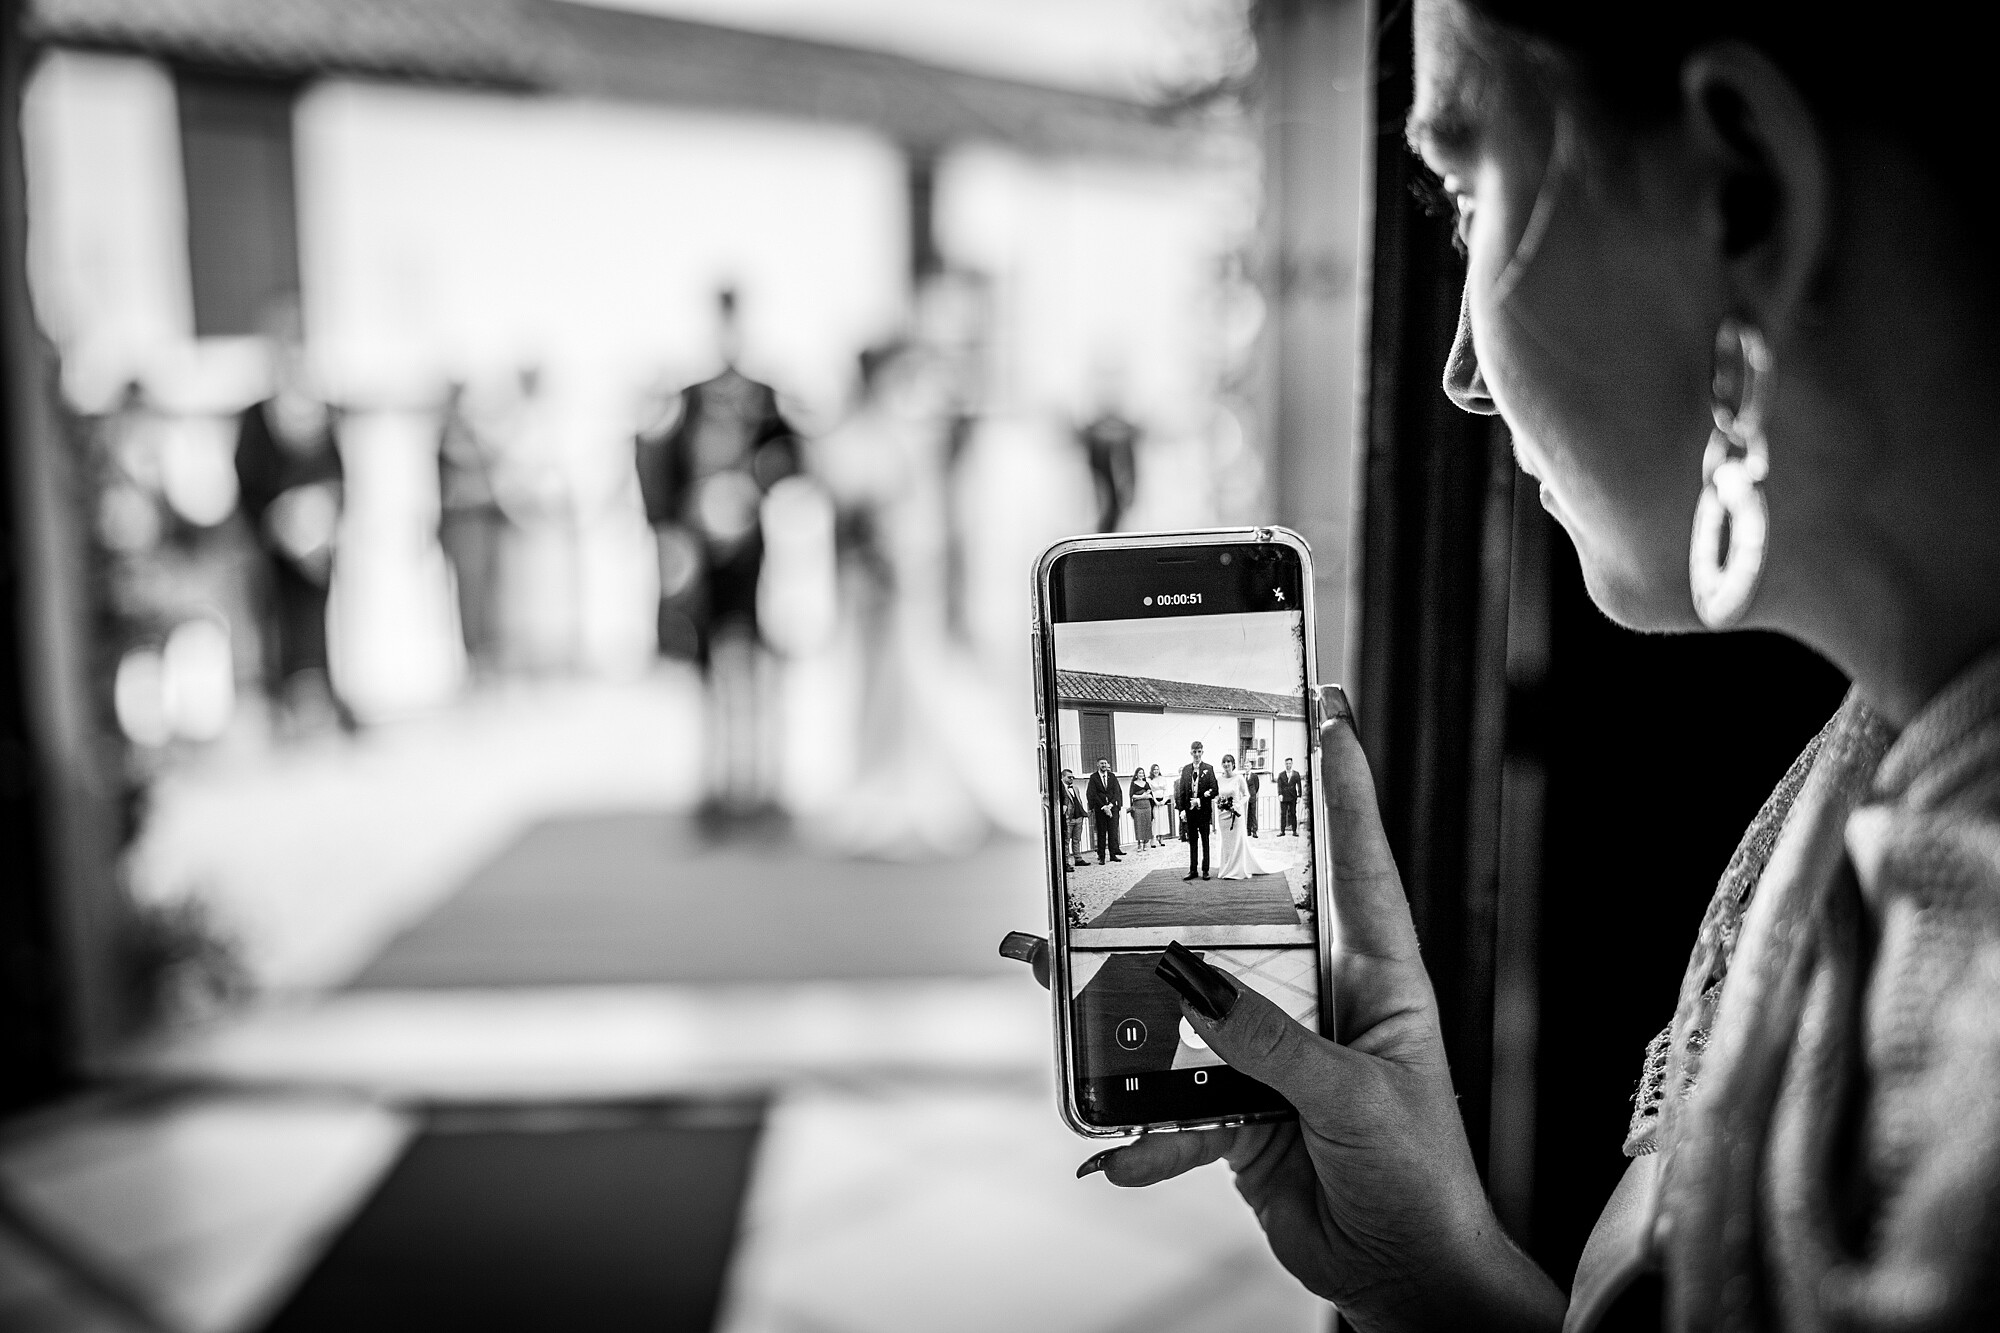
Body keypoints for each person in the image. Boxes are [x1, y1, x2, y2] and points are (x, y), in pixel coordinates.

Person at [1040, 4, 2000, 1330]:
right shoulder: (1880, 748)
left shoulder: (1966, 1067)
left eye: (1465, 198)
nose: (1457, 376)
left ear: (1746, 196)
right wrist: (1426, 1270)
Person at [234, 300, 348, 732]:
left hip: (318, 545)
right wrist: (279, 522)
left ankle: (321, 704)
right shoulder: (256, 419)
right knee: (279, 624)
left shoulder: (322, 411)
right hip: (276, 548)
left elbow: (340, 474)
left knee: (317, 622)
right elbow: (247, 480)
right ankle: (287, 709)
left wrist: (323, 518)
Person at [1214, 754, 1284, 881]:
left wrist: (1238, 804)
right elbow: (1216, 796)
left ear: (1233, 764)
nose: (1226, 764)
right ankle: (1226, 869)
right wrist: (1219, 802)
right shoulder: (1219, 780)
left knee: (1237, 843)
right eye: (1224, 762)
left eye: (1229, 762)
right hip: (1223, 816)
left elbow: (1246, 795)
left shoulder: (1239, 778)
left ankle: (1237, 870)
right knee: (1227, 844)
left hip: (1236, 815)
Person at [1174, 741, 1218, 881]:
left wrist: (1200, 800)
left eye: (1199, 752)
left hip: (1203, 811)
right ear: (1191, 753)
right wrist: (1182, 809)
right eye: (1194, 752)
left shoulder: (1209, 769)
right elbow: (1181, 792)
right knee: (1192, 841)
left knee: (1205, 840)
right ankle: (1193, 870)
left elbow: (1214, 789)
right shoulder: (1186, 769)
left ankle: (1205, 870)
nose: (1197, 755)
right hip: (1190, 812)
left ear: (1202, 752)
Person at [1085, 758, 1124, 864]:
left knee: (1113, 832)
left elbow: (1116, 792)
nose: (1104, 765)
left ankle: (1113, 855)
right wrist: (1104, 807)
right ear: (1098, 764)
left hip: (1113, 808)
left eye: (1105, 763)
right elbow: (1092, 793)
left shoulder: (1112, 776)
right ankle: (1101, 857)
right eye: (1101, 763)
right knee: (1101, 833)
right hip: (1100, 809)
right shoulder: (1093, 777)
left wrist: (1110, 805)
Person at [1059, 769, 1088, 869]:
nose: (1071, 779)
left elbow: (1079, 801)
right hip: (1068, 818)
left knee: (1077, 839)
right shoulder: (1060, 788)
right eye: (1069, 777)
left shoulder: (1075, 788)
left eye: (1072, 777)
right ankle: (1066, 862)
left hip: (1078, 817)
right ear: (1063, 777)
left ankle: (1078, 859)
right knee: (1066, 840)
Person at [1127, 765, 1154, 851]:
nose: (1141, 774)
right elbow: (1132, 796)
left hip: (1147, 806)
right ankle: (1139, 843)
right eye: (1139, 773)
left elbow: (1150, 796)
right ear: (1136, 774)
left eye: (1142, 773)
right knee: (1138, 825)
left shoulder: (1146, 783)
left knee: (1147, 824)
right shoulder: (1133, 784)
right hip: (1138, 807)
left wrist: (1146, 795)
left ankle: (1145, 843)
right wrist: (1142, 796)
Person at [1275, 757, 1303, 836]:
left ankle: (1294, 831)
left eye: (1289, 763)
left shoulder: (1296, 774)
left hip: (1293, 797)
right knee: (1283, 814)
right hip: (1284, 797)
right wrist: (1280, 794)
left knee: (1293, 813)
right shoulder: (1281, 775)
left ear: (1292, 764)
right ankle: (1282, 831)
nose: (1288, 765)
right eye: (1287, 764)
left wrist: (1299, 796)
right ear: (1285, 764)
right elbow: (1279, 786)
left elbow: (1299, 785)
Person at [1149, 764, 1174, 847]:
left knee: (1162, 820)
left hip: (1163, 802)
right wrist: (1155, 801)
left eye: (1157, 769)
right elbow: (1151, 791)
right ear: (1152, 771)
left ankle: (1162, 837)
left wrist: (1163, 800)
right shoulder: (1150, 780)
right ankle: (1154, 838)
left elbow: (1166, 790)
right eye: (1154, 769)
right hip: (1155, 802)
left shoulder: (1163, 779)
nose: (1156, 771)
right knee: (1155, 820)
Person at [1245, 763, 1262, 837]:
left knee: (1253, 814)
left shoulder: (1254, 776)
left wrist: (1253, 794)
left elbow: (1257, 786)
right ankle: (1248, 831)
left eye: (1247, 766)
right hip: (1246, 798)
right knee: (1247, 814)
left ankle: (1254, 831)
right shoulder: (1244, 776)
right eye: (1245, 766)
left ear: (1251, 767)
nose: (1246, 768)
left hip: (1252, 797)